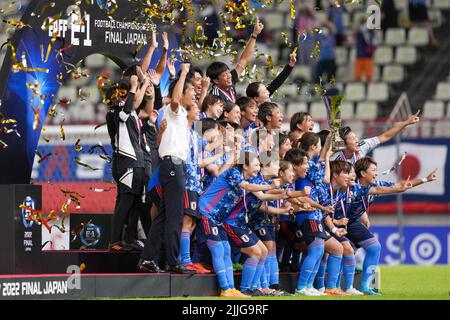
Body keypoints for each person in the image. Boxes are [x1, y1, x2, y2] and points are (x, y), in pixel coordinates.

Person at [197, 152, 282, 297]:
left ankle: (231, 289)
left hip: (218, 218)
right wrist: (270, 185)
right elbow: (246, 186)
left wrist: (284, 195)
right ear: (245, 165)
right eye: (255, 165)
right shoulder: (234, 173)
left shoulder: (247, 178)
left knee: (226, 250)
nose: (258, 168)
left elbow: (260, 193)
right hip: (207, 211)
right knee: (218, 250)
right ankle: (225, 289)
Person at [138, 63, 196, 274]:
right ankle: (172, 262)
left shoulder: (176, 115)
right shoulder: (176, 110)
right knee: (174, 216)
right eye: (191, 91)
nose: (194, 95)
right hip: (173, 166)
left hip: (172, 166)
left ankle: (147, 259)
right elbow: (176, 98)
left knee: (164, 217)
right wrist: (183, 73)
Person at [207, 17, 264, 103]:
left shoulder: (230, 81)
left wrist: (254, 35)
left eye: (228, 72)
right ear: (216, 80)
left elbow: (244, 60)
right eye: (224, 75)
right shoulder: (214, 96)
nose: (229, 76)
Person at [332, 111, 421, 165]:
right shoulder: (335, 160)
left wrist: (406, 123)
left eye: (356, 137)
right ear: (344, 143)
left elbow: (385, 136)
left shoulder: (362, 145)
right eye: (352, 138)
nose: (357, 140)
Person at [354, 18, 377, 82]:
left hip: (368, 56)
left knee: (369, 76)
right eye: (363, 24)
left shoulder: (370, 32)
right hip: (359, 55)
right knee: (357, 76)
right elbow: (354, 34)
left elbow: (373, 43)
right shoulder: (358, 32)